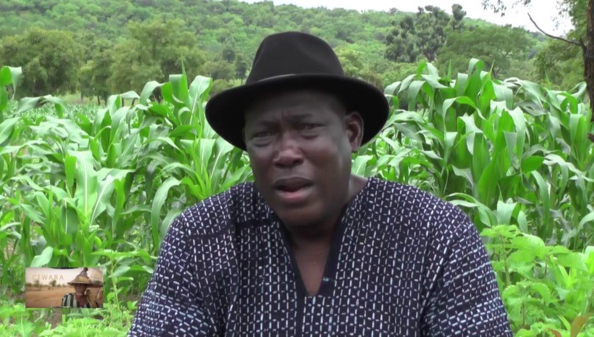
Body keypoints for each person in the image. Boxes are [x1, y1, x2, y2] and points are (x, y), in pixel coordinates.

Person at [128, 31, 512, 336]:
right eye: (263, 135)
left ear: (351, 133)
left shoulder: (435, 236)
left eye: (307, 128)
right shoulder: (202, 238)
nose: (286, 153)